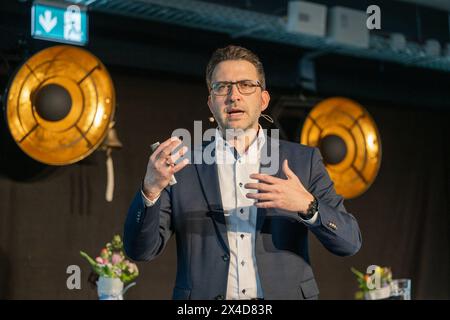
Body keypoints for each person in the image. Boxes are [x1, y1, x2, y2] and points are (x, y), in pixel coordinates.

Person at [124, 45, 362, 300]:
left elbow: (349, 243)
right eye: (222, 87)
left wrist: (308, 205)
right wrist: (150, 190)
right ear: (210, 102)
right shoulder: (182, 164)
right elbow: (141, 252)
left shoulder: (304, 160)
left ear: (263, 100)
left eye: (246, 85)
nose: (233, 96)